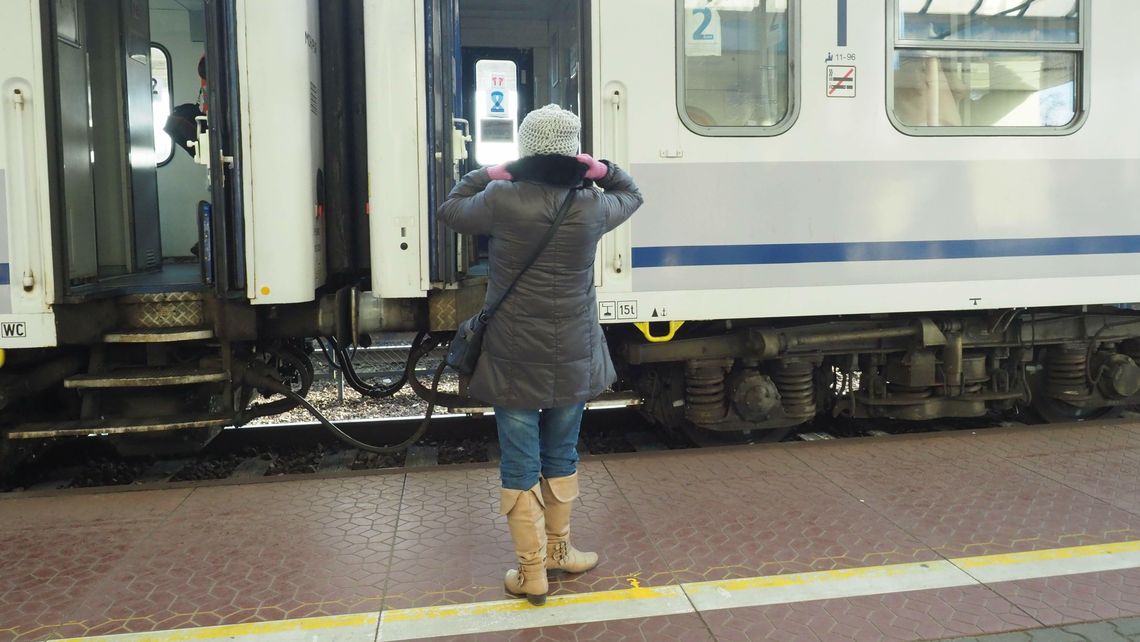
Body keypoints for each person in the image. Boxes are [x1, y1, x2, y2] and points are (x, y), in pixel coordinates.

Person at [437, 104, 644, 606]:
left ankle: (533, 573)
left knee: (520, 459)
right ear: (573, 151)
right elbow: (632, 194)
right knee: (562, 453)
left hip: (511, 353)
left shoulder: (501, 197)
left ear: (526, 149)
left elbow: (449, 209)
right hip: (572, 349)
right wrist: (601, 169)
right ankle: (560, 551)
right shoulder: (592, 205)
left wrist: (489, 171)